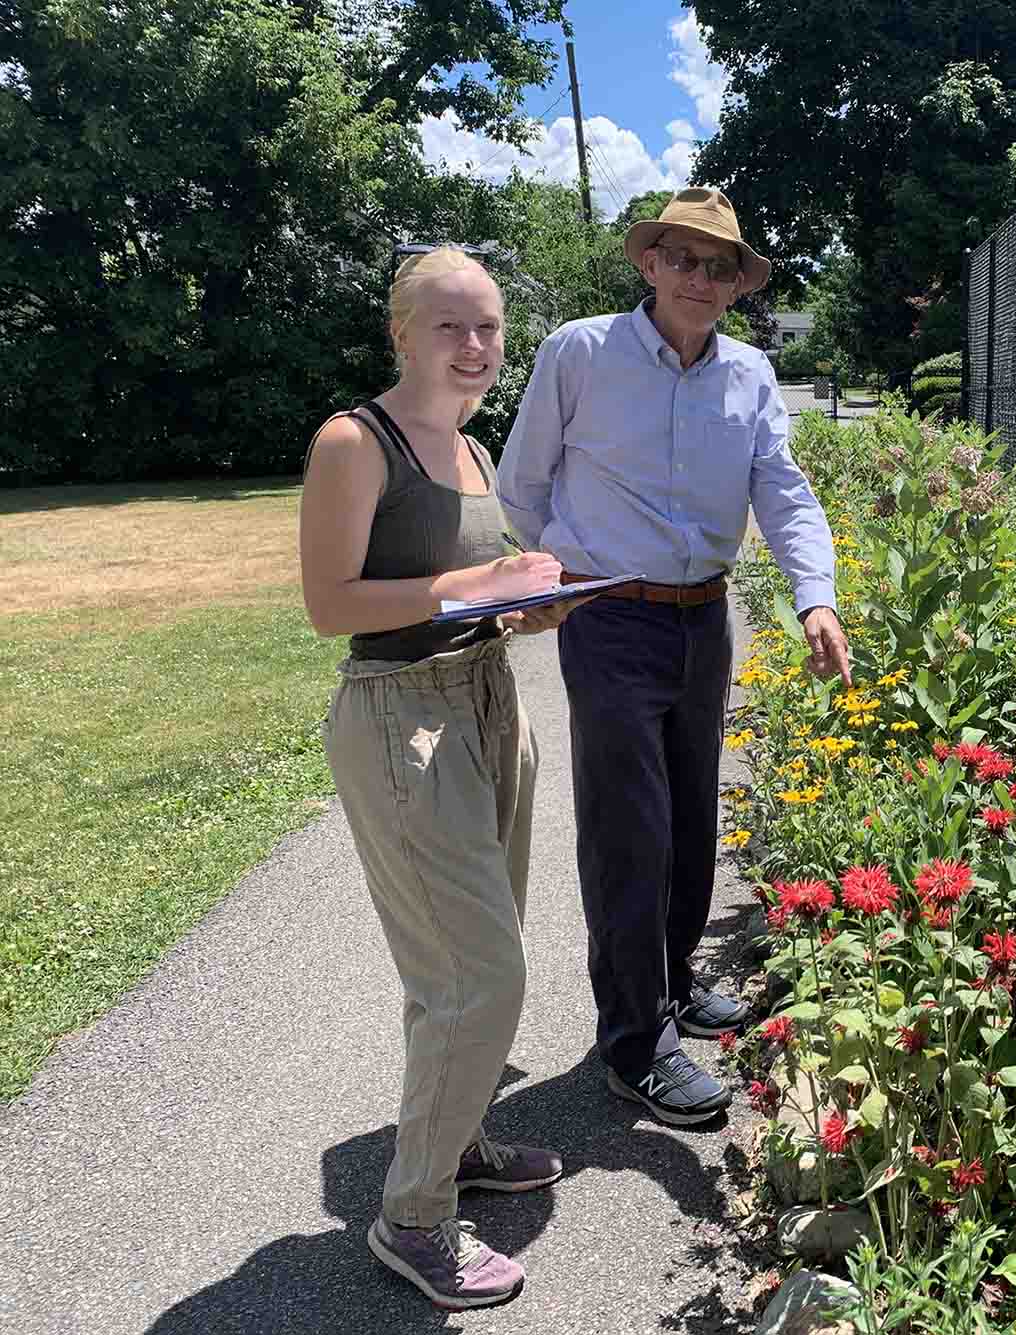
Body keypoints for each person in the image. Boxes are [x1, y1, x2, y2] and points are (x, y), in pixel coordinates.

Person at [497, 187, 851, 1127]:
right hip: (609, 618)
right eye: (681, 257)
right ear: (648, 263)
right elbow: (521, 484)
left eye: (719, 264)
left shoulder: (751, 376)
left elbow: (785, 491)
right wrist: (574, 573)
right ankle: (633, 1040)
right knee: (629, 829)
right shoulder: (581, 352)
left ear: (738, 286)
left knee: (693, 814)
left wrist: (816, 595)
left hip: (704, 621)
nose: (699, 276)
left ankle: (677, 977)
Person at [299, 246, 577, 1309]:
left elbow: (465, 598)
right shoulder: (351, 441)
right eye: (451, 326)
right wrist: (479, 580)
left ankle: (454, 1143)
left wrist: (527, 604)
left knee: (460, 967)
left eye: (491, 328)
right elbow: (332, 607)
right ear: (400, 333)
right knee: (482, 976)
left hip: (487, 695)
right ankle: (412, 1220)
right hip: (400, 718)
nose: (475, 348)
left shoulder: (470, 448)